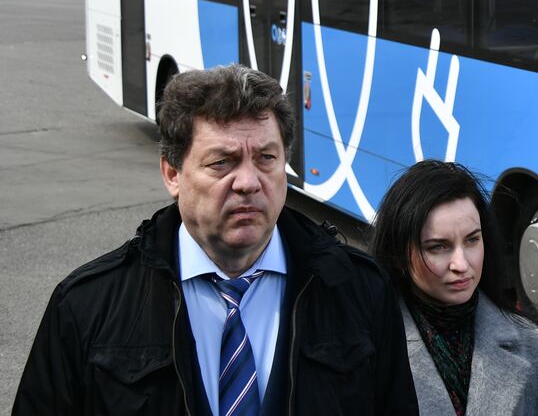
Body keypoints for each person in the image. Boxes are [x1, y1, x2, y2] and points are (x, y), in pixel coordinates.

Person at [14, 64, 417, 415]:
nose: (248, 182)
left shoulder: (361, 289)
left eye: (266, 158)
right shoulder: (86, 305)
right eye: (222, 162)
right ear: (172, 174)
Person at [371, 160, 538, 416]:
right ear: (400, 255)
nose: (462, 264)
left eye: (472, 240)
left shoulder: (527, 342)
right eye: (438, 246)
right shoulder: (367, 347)